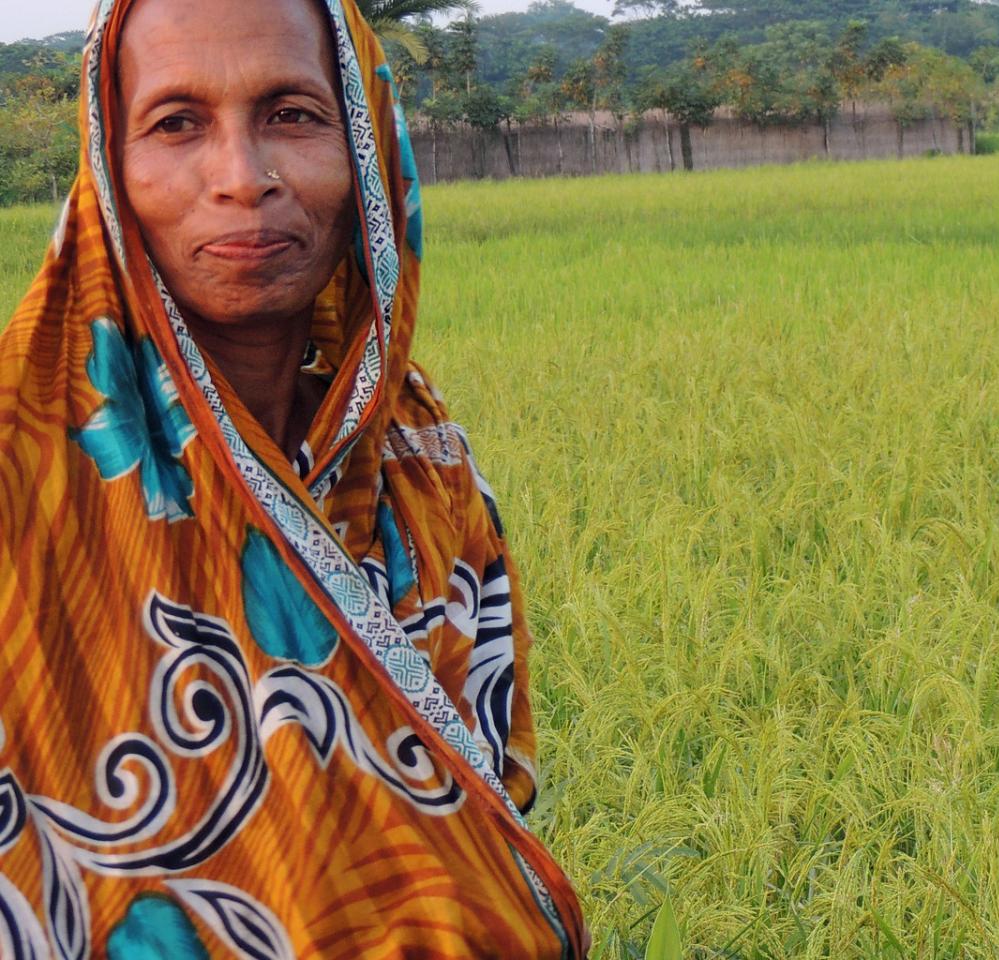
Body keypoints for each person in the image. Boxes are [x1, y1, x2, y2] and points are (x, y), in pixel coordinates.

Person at [0, 0, 586, 955]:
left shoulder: (423, 467)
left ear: (368, 144)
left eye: (293, 114)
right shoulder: (21, 473)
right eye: (176, 123)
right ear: (108, 163)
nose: (242, 177)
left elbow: (488, 810)